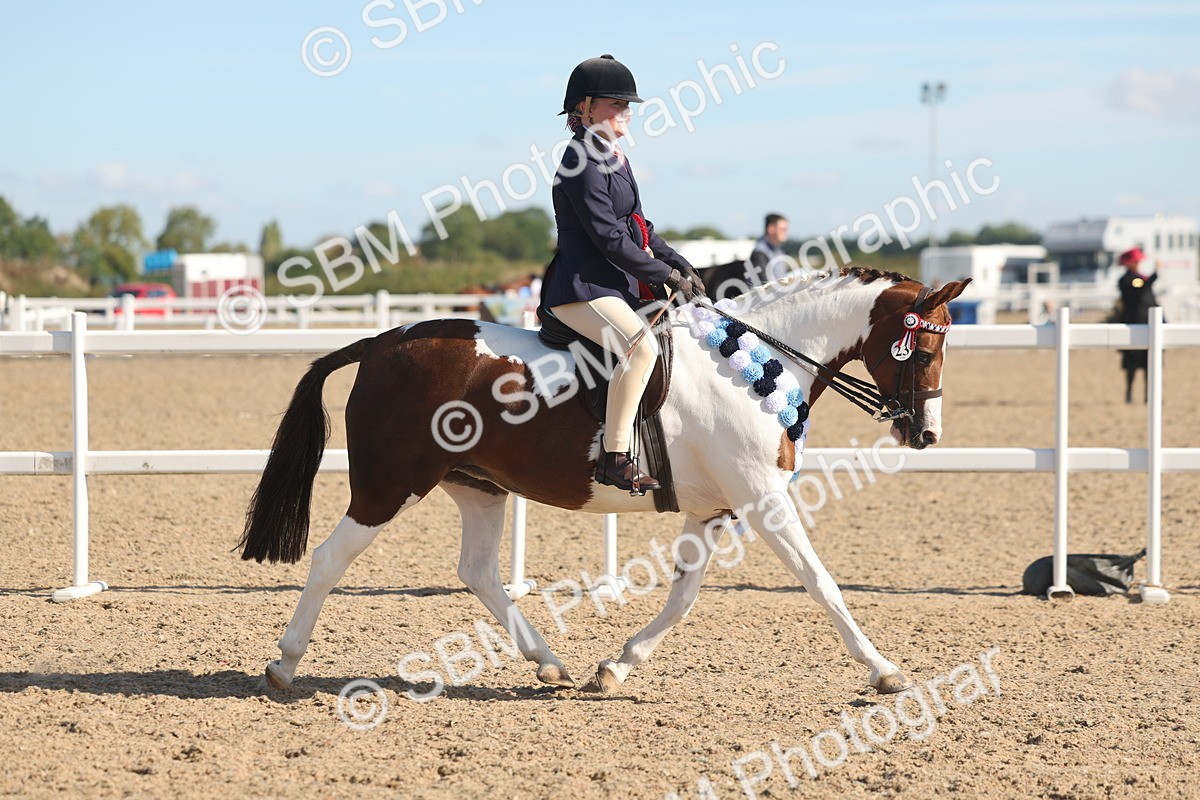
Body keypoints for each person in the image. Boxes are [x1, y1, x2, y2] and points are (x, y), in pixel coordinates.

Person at [541, 54, 706, 493]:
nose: (626, 111)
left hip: (613, 286)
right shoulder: (580, 162)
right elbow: (610, 238)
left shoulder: (615, 157)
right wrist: (665, 277)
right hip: (582, 287)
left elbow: (639, 226)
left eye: (627, 103)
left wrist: (679, 263)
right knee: (640, 348)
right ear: (587, 106)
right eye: (616, 103)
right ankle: (614, 457)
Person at [1115, 247, 1160, 403]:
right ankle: (1129, 393)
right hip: (1134, 322)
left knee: (1150, 361)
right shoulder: (1127, 280)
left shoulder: (1138, 278)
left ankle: (1149, 394)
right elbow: (1140, 290)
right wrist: (1155, 274)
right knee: (1132, 362)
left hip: (1147, 321)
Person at [749, 213, 790, 277]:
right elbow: (764, 284)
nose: (786, 233)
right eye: (783, 229)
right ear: (771, 228)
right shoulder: (759, 253)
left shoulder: (778, 252)